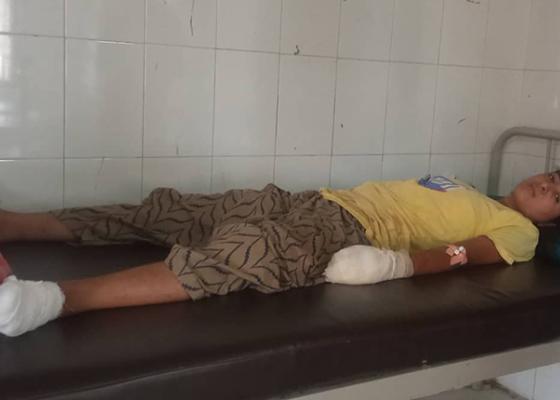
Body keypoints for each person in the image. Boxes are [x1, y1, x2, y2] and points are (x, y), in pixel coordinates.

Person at [0, 171, 558, 337]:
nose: (549, 184)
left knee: (246, 252)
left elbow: (464, 255)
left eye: (559, 195)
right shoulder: (470, 184)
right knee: (174, 209)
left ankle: (52, 301)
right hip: (312, 199)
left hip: (347, 230)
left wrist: (395, 265)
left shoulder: (520, 232)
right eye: (553, 176)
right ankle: (14, 224)